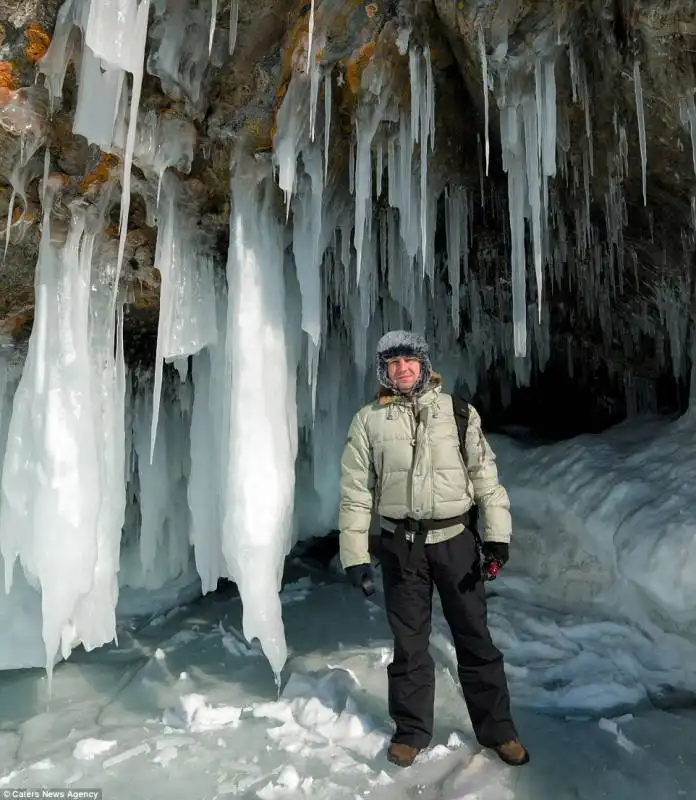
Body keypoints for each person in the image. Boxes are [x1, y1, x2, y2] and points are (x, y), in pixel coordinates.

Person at [338, 330, 528, 768]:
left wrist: (497, 537)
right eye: (392, 363)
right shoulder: (368, 421)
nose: (401, 369)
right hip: (400, 546)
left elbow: (486, 479)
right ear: (383, 371)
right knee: (409, 645)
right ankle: (411, 731)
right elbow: (355, 494)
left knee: (476, 639)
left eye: (409, 360)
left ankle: (499, 731)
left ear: (423, 364)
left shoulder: (459, 412)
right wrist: (355, 556)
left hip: (456, 542)